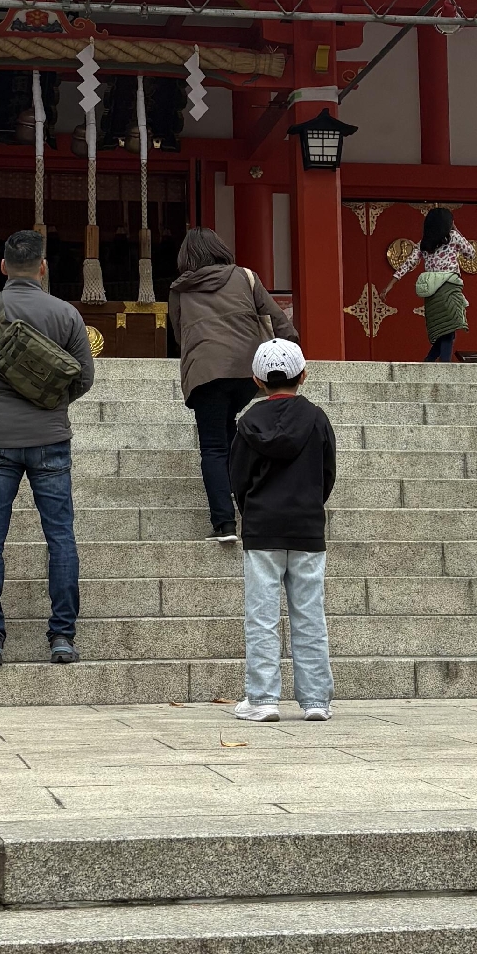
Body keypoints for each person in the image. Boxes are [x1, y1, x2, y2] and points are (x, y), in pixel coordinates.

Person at [0, 227, 96, 666]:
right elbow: (84, 377)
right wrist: (51, 403)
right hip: (51, 438)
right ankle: (62, 637)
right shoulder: (65, 313)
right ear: (43, 267)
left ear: (2, 267)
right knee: (60, 537)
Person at [228, 337, 337, 724]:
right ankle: (315, 700)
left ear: (257, 380)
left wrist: (251, 510)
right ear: (303, 375)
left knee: (261, 616)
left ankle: (262, 698)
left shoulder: (246, 423)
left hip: (263, 527)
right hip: (306, 527)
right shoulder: (317, 418)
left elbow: (238, 478)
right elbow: (327, 474)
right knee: (309, 615)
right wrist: (309, 505)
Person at [167, 226, 298, 544]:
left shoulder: (180, 290)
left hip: (205, 372)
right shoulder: (246, 276)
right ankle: (249, 499)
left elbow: (176, 334)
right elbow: (277, 318)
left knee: (213, 446)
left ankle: (225, 524)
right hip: (246, 371)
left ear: (187, 256)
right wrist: (291, 348)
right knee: (228, 427)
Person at [416, 207, 472, 364]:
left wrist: (390, 284)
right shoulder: (453, 237)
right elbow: (471, 253)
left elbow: (408, 264)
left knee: (445, 328)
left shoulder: (424, 243)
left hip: (431, 292)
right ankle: (444, 363)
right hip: (449, 286)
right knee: (449, 327)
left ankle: (430, 360)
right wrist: (457, 230)